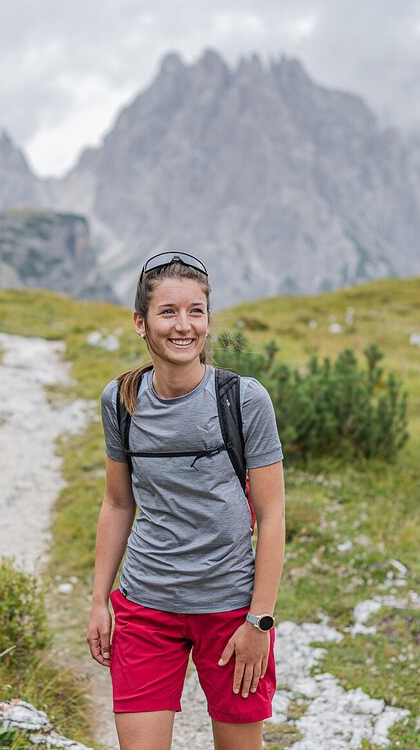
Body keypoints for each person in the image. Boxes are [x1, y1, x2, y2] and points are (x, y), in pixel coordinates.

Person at [86, 251, 286, 750]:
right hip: (145, 609)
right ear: (141, 323)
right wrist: (98, 601)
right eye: (168, 311)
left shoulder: (243, 400)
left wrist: (258, 620)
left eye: (196, 311)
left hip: (230, 610)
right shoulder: (121, 400)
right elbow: (117, 504)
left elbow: (272, 514)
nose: (184, 325)